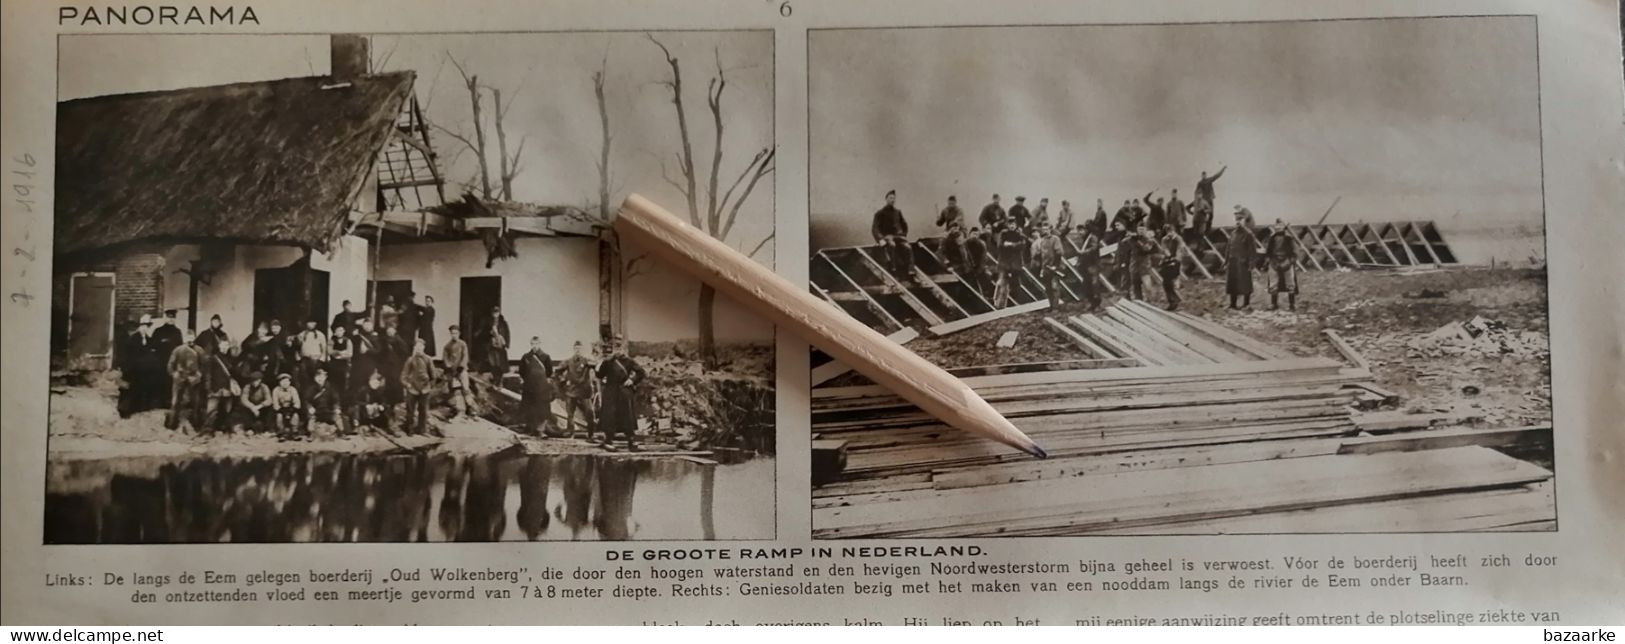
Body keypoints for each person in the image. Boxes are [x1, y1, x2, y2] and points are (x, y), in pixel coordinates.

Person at [596, 335, 646, 451]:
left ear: (623, 349)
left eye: (619, 348)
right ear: (612, 349)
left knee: (626, 417)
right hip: (611, 392)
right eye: (615, 348)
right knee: (610, 416)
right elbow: (599, 375)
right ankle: (608, 440)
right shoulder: (608, 362)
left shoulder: (629, 361)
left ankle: (631, 441)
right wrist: (599, 365)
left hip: (623, 392)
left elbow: (641, 372)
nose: (617, 351)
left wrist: (632, 380)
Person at [120, 314, 163, 415]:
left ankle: (140, 408)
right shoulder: (133, 339)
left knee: (143, 387)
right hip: (133, 369)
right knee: (130, 389)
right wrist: (127, 369)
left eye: (148, 326)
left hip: (144, 369)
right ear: (139, 326)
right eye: (143, 326)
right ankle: (125, 410)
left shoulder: (149, 339)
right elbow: (127, 355)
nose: (145, 328)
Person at [558, 340, 599, 439]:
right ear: (573, 349)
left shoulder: (587, 361)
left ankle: (591, 433)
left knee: (589, 412)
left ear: (582, 350)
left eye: (580, 348)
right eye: (576, 348)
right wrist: (564, 380)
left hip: (584, 391)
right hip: (572, 390)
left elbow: (597, 367)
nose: (578, 350)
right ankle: (570, 432)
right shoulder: (568, 361)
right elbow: (558, 371)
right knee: (570, 413)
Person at [164, 329, 203, 433]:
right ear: (184, 338)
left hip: (194, 379)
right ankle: (172, 425)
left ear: (194, 338)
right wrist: (174, 374)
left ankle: (196, 425)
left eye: (191, 337)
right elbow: (170, 365)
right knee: (175, 401)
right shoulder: (178, 350)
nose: (189, 340)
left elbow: (205, 365)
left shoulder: (199, 350)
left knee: (196, 402)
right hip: (180, 378)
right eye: (187, 337)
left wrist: (199, 375)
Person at [519, 337, 556, 437]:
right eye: (533, 344)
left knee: (542, 409)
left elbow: (549, 372)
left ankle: (540, 430)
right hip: (529, 387)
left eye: (536, 344)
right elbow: (522, 371)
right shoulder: (526, 357)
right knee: (530, 408)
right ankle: (530, 429)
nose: (534, 346)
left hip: (542, 388)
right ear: (530, 344)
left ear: (540, 344)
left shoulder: (545, 357)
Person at [202, 338, 239, 434]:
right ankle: (208, 430)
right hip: (215, 388)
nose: (225, 347)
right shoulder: (213, 358)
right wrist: (209, 388)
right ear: (219, 346)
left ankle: (224, 428)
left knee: (227, 410)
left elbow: (234, 373)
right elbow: (208, 375)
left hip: (227, 388)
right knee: (211, 410)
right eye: (223, 345)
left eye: (227, 345)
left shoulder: (230, 359)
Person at [870, 189, 911, 274]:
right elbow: (875, 228)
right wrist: (880, 239)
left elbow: (904, 225)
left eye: (894, 198)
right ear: (886, 199)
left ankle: (910, 269)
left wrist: (903, 234)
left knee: (908, 247)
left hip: (897, 237)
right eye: (890, 198)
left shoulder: (897, 212)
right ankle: (893, 268)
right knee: (892, 245)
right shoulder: (880, 213)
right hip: (887, 237)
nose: (892, 200)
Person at [400, 338, 436, 436]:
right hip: (412, 389)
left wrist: (429, 386)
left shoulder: (428, 359)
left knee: (423, 410)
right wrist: (407, 384)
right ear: (414, 348)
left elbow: (433, 375)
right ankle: (410, 429)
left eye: (421, 347)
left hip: (424, 389)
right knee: (410, 410)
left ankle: (422, 430)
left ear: (424, 348)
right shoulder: (410, 360)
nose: (419, 349)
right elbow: (403, 375)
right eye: (417, 347)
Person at [1225, 211, 1258, 309]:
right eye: (1237, 220)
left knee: (1245, 284)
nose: (1238, 222)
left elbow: (1252, 250)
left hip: (1243, 263)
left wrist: (1251, 263)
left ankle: (1246, 304)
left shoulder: (1248, 234)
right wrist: (1226, 261)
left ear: (1244, 221)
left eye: (1240, 220)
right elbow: (1228, 248)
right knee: (1232, 284)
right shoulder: (1233, 233)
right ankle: (1233, 304)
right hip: (1233, 263)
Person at [1265, 219, 1300, 310]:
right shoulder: (1272, 238)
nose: (1278, 227)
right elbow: (1268, 251)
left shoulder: (1289, 238)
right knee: (1273, 283)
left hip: (1287, 262)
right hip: (1274, 262)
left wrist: (1290, 261)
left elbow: (1295, 252)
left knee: (1290, 283)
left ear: (1284, 227)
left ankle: (1292, 305)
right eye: (1276, 225)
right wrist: (1269, 260)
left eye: (1280, 225)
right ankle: (1274, 304)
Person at [150, 310, 183, 409]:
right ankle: (158, 401)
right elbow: (153, 346)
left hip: (173, 361)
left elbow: (180, 348)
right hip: (160, 360)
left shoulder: (178, 332)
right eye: (169, 317)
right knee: (159, 379)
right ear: (165, 318)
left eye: (173, 318)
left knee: (170, 381)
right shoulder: (158, 331)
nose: (171, 319)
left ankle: (168, 401)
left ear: (175, 319)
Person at [993, 222, 1027, 307]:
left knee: (1016, 285)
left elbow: (1023, 245)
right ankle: (998, 304)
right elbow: (1000, 245)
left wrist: (1011, 244)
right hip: (1005, 264)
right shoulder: (1003, 234)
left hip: (1015, 265)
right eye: (1010, 224)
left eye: (1014, 224)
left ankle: (1014, 304)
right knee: (1002, 284)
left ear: (1016, 226)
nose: (1012, 226)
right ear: (1007, 225)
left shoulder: (1019, 235)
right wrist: (1012, 245)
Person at [1032, 224, 1068, 304]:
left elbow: (1059, 253)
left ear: (1050, 230)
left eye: (1046, 229)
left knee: (1054, 286)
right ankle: (1051, 305)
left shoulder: (1055, 239)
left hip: (1054, 267)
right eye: (1043, 229)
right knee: (1048, 288)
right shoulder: (1042, 241)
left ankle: (1055, 306)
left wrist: (1055, 265)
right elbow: (1041, 255)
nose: (1045, 231)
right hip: (1046, 267)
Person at [303, 367, 345, 435]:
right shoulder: (311, 389)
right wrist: (310, 407)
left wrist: (337, 408)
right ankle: (311, 434)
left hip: (328, 411)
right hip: (316, 411)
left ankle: (342, 433)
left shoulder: (331, 388)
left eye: (322, 376)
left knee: (337, 417)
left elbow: (336, 400)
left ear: (326, 377)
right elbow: (306, 400)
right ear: (314, 378)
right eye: (318, 376)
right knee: (311, 420)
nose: (320, 378)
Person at [442, 325, 471, 417]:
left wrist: (462, 366)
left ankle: (472, 408)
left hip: (462, 370)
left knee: (466, 389)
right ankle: (460, 410)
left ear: (459, 334)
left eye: (456, 333)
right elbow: (445, 358)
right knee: (456, 390)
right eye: (452, 333)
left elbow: (465, 356)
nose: (454, 335)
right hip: (453, 372)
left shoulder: (463, 344)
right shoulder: (447, 346)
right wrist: (448, 366)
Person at [1072, 229, 1103, 311]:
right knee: (1086, 284)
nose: (1080, 232)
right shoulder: (1083, 239)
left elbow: (1094, 248)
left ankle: (1097, 304)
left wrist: (1083, 252)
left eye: (1081, 230)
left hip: (1093, 264)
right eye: (1079, 231)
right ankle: (1091, 303)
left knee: (1094, 284)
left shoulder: (1092, 238)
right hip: (1085, 265)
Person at [1129, 228, 1163, 301]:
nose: (1141, 231)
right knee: (1136, 285)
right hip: (1134, 264)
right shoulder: (1132, 239)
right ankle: (1138, 300)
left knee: (1147, 285)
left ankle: (1151, 299)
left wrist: (1138, 241)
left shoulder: (1149, 240)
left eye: (1142, 229)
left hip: (1144, 265)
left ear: (1146, 230)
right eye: (1139, 229)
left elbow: (1146, 249)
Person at [378, 325, 408, 403]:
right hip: (387, 364)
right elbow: (382, 353)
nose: (389, 332)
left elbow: (404, 353)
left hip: (396, 365)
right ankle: (388, 400)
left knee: (396, 381)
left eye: (391, 330)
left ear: (395, 331)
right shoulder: (384, 340)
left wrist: (399, 362)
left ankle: (398, 400)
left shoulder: (399, 340)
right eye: (388, 330)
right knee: (389, 381)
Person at [1158, 225, 1186, 310]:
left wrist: (1175, 260)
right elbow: (1164, 249)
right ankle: (1172, 300)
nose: (1169, 233)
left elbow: (1180, 250)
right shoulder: (1165, 239)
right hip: (1167, 261)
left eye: (1171, 231)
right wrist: (1167, 255)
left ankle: (1176, 300)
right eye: (1168, 232)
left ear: (1174, 231)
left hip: (1176, 262)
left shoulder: (1178, 239)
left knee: (1173, 280)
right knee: (1166, 282)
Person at [349, 318, 378, 396]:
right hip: (357, 366)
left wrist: (367, 351)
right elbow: (352, 349)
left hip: (369, 366)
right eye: (365, 325)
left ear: (372, 326)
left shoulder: (375, 337)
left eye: (369, 325)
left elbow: (378, 351)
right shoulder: (358, 337)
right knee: (356, 386)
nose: (367, 327)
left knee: (370, 387)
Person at [270, 373, 303, 440]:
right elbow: (275, 403)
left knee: (295, 415)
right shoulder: (276, 390)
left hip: (291, 408)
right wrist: (281, 410)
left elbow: (297, 402)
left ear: (290, 382)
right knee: (279, 416)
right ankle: (281, 433)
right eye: (283, 381)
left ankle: (295, 433)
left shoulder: (293, 389)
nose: (285, 383)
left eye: (287, 381)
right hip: (280, 409)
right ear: (279, 382)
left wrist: (292, 410)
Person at [483, 306, 511, 380]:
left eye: (497, 312)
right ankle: (494, 378)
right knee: (493, 363)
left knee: (501, 363)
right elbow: (483, 333)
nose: (495, 314)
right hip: (491, 346)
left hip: (501, 345)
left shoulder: (503, 323)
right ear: (492, 313)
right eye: (494, 312)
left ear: (499, 312)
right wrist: (489, 333)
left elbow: (507, 333)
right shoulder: (488, 322)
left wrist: (507, 344)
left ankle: (500, 380)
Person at [297, 319, 328, 385]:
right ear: (306, 324)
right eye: (309, 322)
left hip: (316, 360)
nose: (311, 324)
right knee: (304, 377)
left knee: (316, 377)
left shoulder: (320, 335)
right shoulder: (301, 335)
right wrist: (299, 358)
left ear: (315, 323)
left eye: (313, 322)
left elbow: (324, 348)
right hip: (305, 359)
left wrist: (322, 359)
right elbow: (297, 347)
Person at [328, 325, 353, 404]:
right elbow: (330, 351)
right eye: (338, 330)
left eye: (341, 330)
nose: (339, 332)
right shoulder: (331, 340)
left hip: (344, 366)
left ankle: (342, 403)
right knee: (333, 384)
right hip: (333, 366)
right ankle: (334, 402)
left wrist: (339, 355)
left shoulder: (348, 340)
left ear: (344, 331)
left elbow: (350, 353)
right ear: (335, 332)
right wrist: (341, 352)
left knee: (343, 384)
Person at [962, 226, 989, 297]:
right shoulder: (965, 243)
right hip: (967, 267)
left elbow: (983, 258)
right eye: (973, 234)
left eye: (977, 234)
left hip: (978, 267)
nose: (975, 236)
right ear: (969, 234)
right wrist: (969, 268)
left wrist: (979, 270)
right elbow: (964, 257)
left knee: (986, 276)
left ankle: (984, 294)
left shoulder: (981, 244)